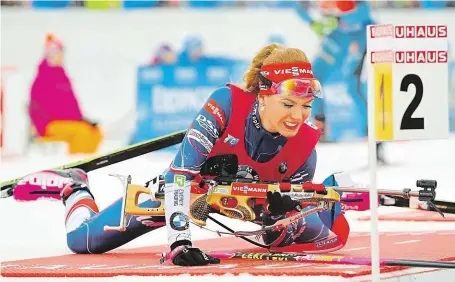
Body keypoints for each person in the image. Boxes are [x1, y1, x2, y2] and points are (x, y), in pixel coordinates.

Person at [16, 44, 350, 267]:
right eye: (289, 105)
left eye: (306, 106)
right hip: (181, 194)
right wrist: (180, 242)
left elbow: (275, 241)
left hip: (236, 206)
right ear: (263, 95)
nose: (298, 116)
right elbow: (179, 176)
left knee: (311, 227)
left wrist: (283, 218)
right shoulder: (226, 104)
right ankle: (74, 188)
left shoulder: (304, 149)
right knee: (83, 242)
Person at [29, 33, 103, 154]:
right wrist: (76, 120)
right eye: (56, 52)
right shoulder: (43, 78)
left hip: (68, 121)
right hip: (48, 124)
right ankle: (76, 163)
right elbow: (48, 109)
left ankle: (88, 161)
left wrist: (82, 119)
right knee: (81, 131)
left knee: (97, 132)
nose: (60, 56)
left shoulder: (61, 75)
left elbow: (71, 104)